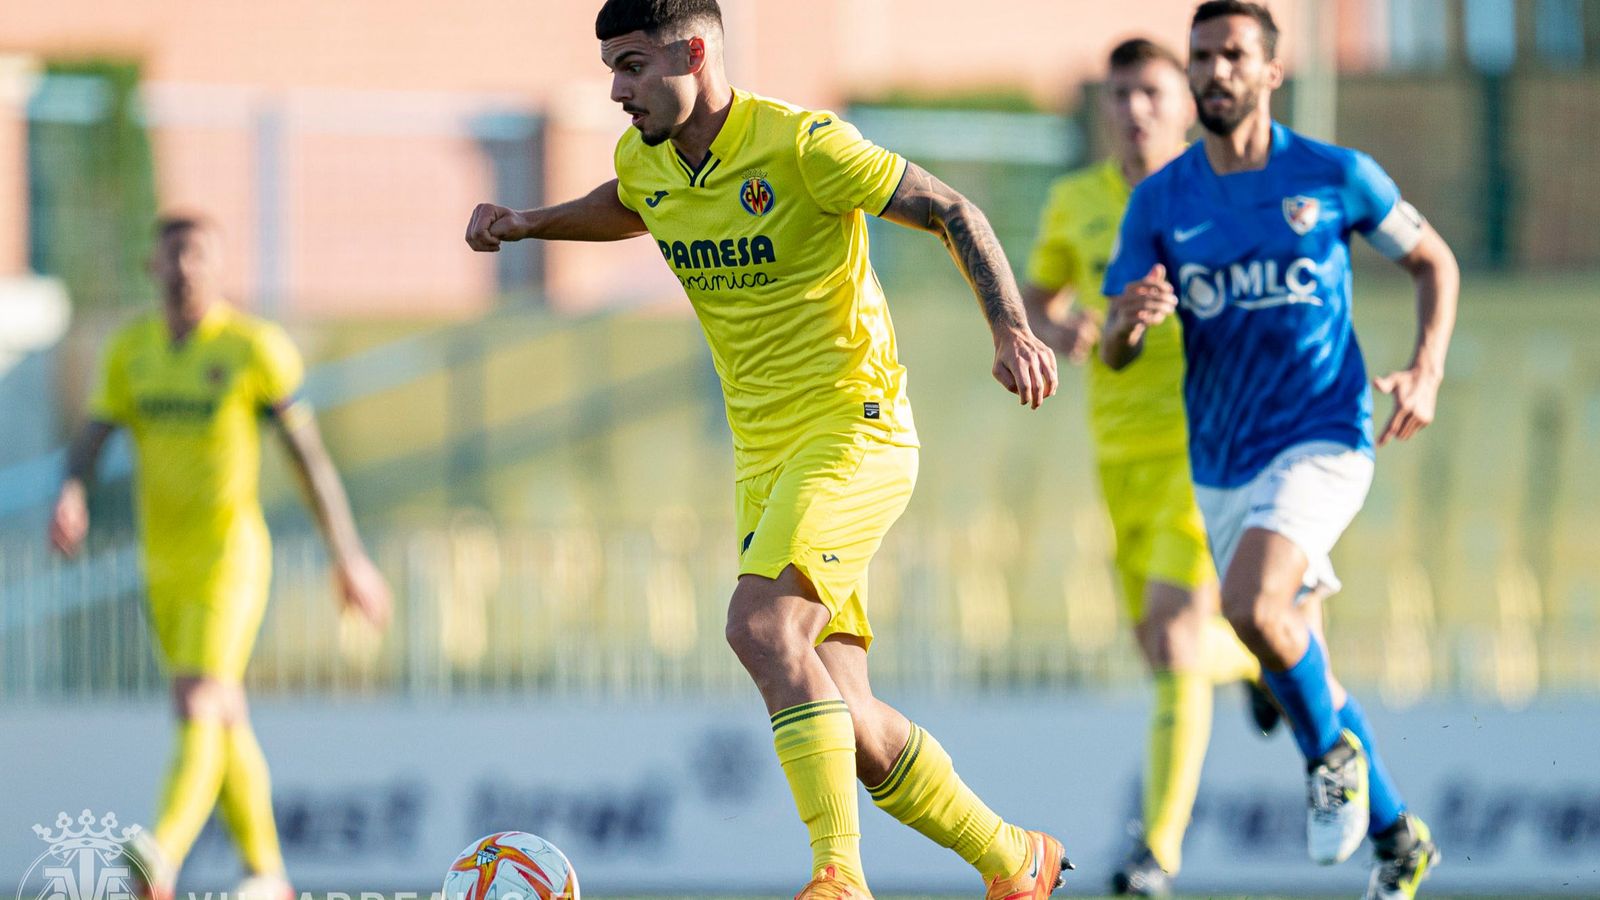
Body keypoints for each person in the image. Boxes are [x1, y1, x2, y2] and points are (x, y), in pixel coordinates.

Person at [465, 1, 1070, 897]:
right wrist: (527, 222)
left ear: (695, 50)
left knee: (759, 627)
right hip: (765, 459)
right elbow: (631, 205)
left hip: (853, 428)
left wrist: (1011, 330)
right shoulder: (646, 160)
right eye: (610, 71)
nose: (618, 91)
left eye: (632, 66)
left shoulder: (802, 145)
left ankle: (838, 877)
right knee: (851, 718)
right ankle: (1014, 859)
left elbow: (950, 208)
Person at [1101, 3, 1458, 898]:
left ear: (1272, 71)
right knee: (1290, 643)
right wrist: (1131, 326)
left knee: (1252, 607)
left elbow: (1434, 263)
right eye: (1202, 57)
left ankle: (1330, 758)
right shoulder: (1161, 201)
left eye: (1233, 56)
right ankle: (1396, 835)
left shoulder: (1334, 176)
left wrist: (1425, 368)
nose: (1214, 71)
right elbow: (1112, 344)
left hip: (1324, 435)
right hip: (1220, 460)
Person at [49, 214, 393, 900]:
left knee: (198, 697)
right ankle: (268, 875)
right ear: (154, 265)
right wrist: (72, 492)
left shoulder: (252, 349)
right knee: (222, 711)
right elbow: (93, 437)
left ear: (217, 267)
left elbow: (309, 459)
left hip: (230, 557)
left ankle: (162, 854)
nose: (183, 271)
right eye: (172, 258)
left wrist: (347, 555)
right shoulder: (130, 352)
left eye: (197, 258)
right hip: (164, 563)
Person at [1020, 36, 1274, 897]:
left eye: (1152, 93)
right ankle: (1262, 661)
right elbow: (1037, 293)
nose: (1135, 110)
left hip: (1206, 451)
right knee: (1166, 647)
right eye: (1120, 94)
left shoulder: (1218, 195)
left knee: (1170, 640)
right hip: (1117, 452)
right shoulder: (1075, 201)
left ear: (1184, 101)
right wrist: (1056, 328)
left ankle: (1154, 854)